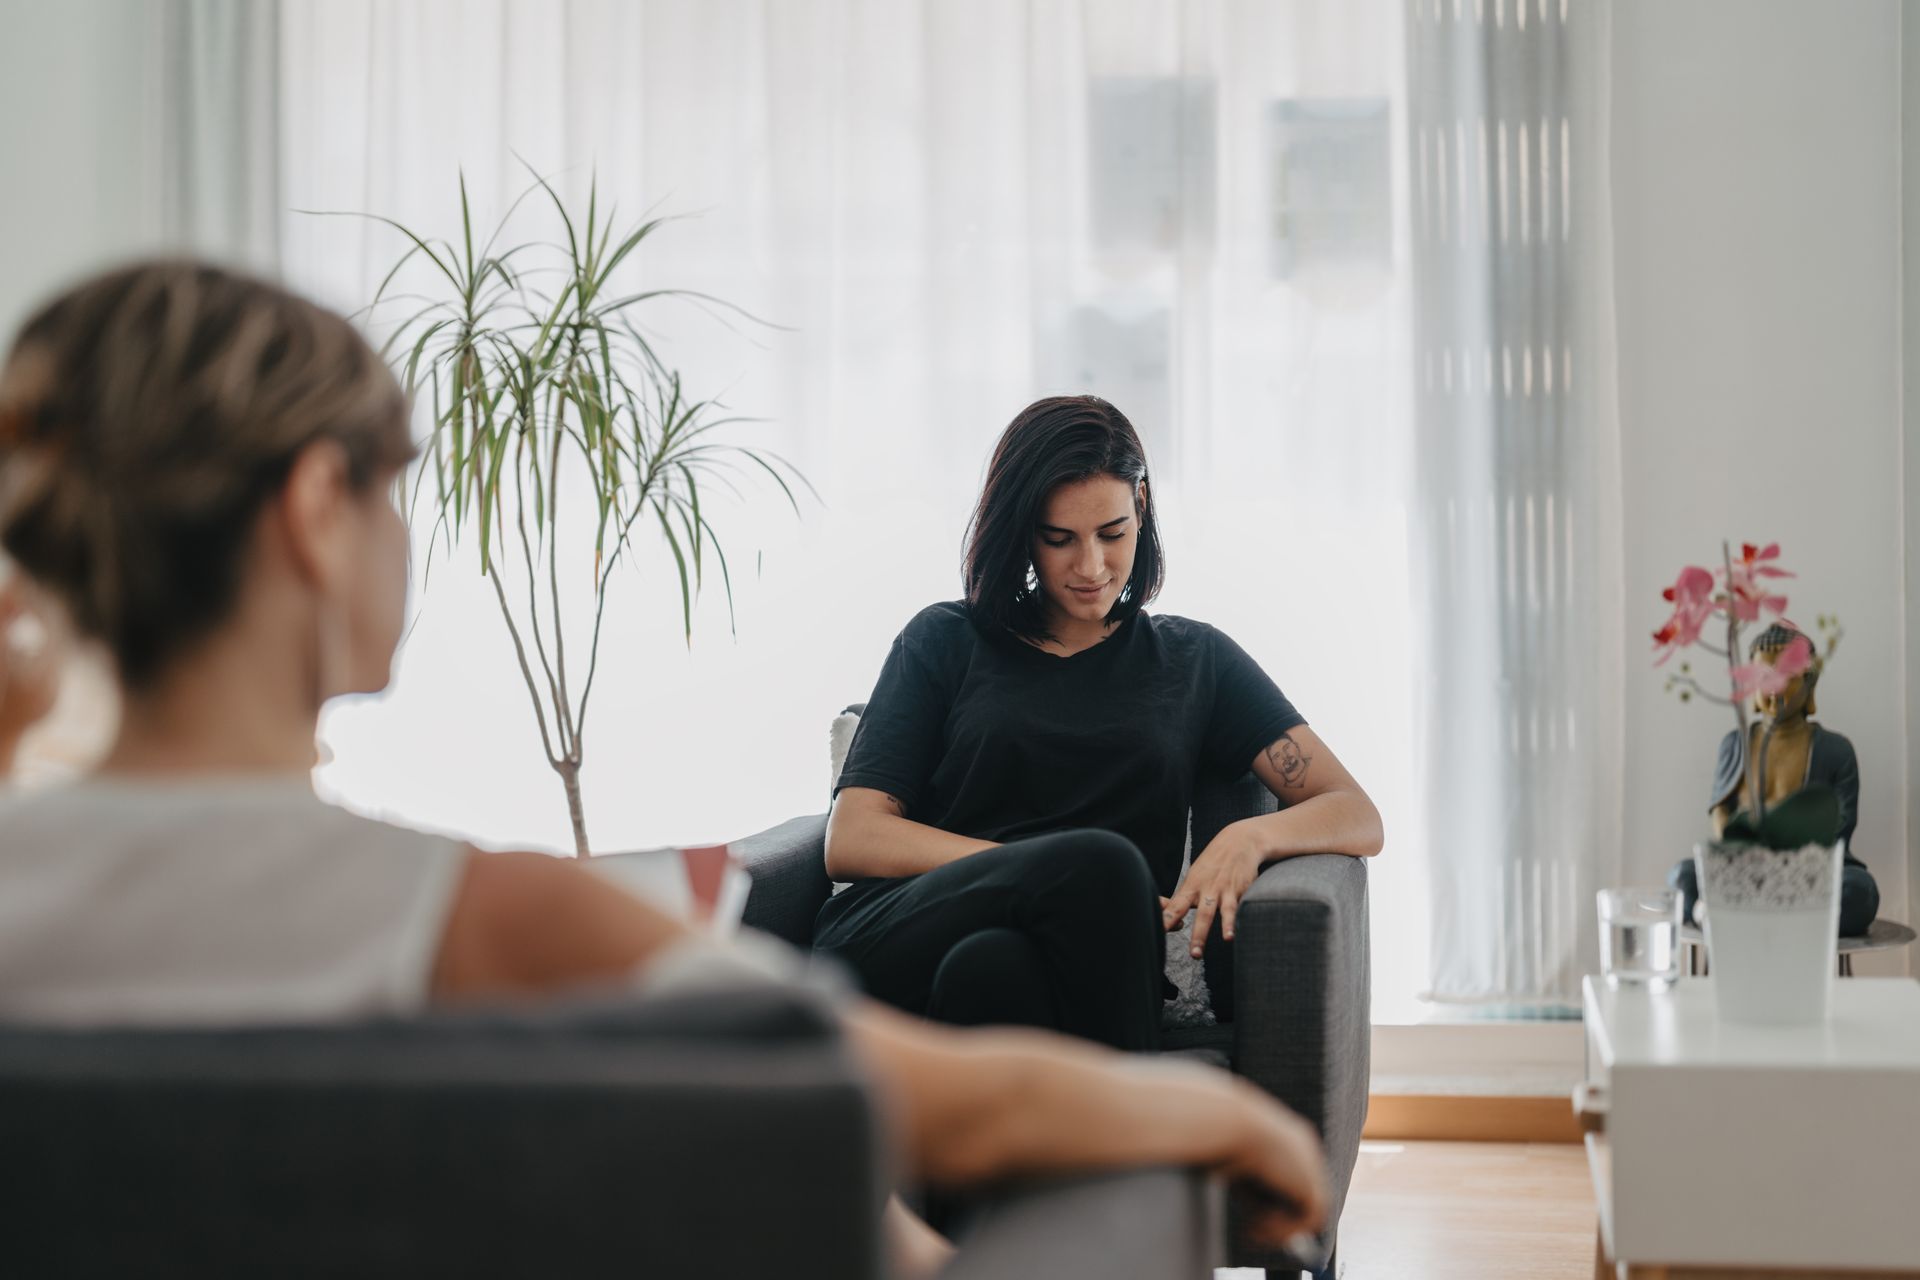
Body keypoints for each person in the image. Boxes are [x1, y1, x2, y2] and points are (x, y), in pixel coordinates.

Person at [0, 261, 1326, 1272]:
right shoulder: (477, 918)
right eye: (395, 492)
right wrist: (1256, 1127)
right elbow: (932, 1110)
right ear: (309, 515)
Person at [814, 395, 1383, 1047]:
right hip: (907, 930)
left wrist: (1248, 838)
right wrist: (1041, 873)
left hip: (1064, 967)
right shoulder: (944, 639)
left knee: (994, 971)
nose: (1090, 567)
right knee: (1103, 866)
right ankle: (1140, 1122)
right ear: (1022, 530)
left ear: (1141, 508)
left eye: (1111, 533)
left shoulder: (1196, 661)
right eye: (1060, 539)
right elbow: (853, 836)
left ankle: (1049, 1137)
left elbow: (1355, 813)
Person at [1668, 622, 1879, 936]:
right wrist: (1742, 854)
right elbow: (1720, 811)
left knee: (1859, 892)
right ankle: (1776, 917)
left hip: (1812, 873)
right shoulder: (1736, 744)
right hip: (1742, 869)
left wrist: (1790, 866)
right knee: (1682, 878)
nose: (1775, 688)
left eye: (1787, 677)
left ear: (1810, 682)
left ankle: (1749, 917)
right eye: (1764, 677)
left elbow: (1841, 824)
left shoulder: (1835, 750)